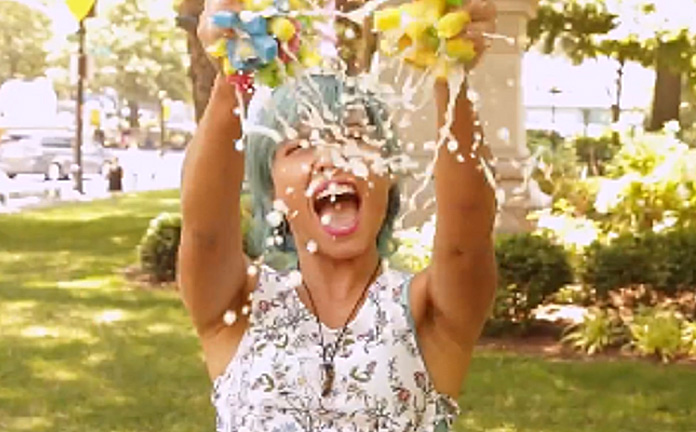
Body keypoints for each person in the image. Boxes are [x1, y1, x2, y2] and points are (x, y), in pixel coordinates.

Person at [178, 1, 498, 430]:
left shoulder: (429, 312)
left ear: (388, 175)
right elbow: (205, 233)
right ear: (273, 190)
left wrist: (449, 72)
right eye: (299, 145)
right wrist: (233, 73)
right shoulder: (237, 305)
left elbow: (467, 235)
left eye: (356, 136)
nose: (331, 158)